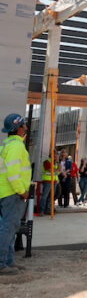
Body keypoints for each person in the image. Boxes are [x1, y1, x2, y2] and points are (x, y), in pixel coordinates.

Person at [0, 114, 31, 275]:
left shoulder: (7, 145)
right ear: (18, 128)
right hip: (13, 193)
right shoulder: (16, 146)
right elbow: (13, 173)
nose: (26, 127)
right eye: (23, 124)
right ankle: (1, 263)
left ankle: (8, 261)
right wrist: (22, 191)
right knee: (7, 228)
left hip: (6, 192)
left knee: (10, 227)